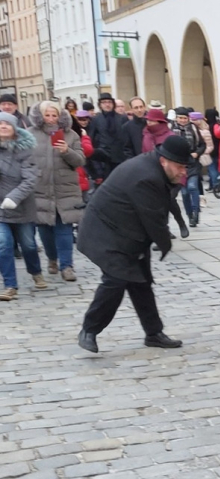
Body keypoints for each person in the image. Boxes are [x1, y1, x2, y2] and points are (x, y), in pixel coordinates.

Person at [76, 136, 191, 353]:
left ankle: (153, 333)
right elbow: (153, 218)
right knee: (115, 281)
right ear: (164, 160)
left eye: (185, 167)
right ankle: (89, 330)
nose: (183, 172)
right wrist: (165, 244)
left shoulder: (154, 167)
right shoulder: (147, 177)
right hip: (105, 232)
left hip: (129, 233)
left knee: (141, 282)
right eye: (180, 166)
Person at [28, 102, 85, 282]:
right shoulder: (30, 134)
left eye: (55, 115)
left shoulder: (71, 134)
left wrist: (66, 151)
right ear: (40, 116)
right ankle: (52, 258)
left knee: (64, 229)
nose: (51, 119)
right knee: (45, 229)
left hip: (65, 189)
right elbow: (24, 160)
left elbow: (80, 161)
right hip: (40, 188)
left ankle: (67, 266)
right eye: (48, 115)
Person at [0, 112, 44, 301]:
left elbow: (30, 179)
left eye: (6, 124)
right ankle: (10, 285)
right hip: (0, 210)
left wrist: (13, 198)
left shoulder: (25, 151)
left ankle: (35, 272)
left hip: (21, 206)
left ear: (14, 128)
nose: (2, 126)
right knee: (3, 245)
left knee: (28, 245)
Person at [141, 109, 188, 239]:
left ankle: (179, 223)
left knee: (168, 199)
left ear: (160, 122)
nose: (149, 123)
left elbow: (180, 158)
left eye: (152, 120)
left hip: (174, 175)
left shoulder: (170, 136)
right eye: (148, 120)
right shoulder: (146, 135)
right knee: (160, 203)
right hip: (154, 174)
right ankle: (165, 231)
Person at [170, 107, 204, 227]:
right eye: (180, 118)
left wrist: (197, 153)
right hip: (178, 165)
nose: (183, 120)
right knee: (184, 193)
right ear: (176, 118)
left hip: (192, 164)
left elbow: (202, 145)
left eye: (185, 118)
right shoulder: (171, 129)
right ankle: (189, 215)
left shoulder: (194, 128)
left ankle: (196, 213)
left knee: (192, 187)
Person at [88, 93, 126, 181]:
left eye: (109, 102)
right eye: (104, 102)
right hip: (104, 159)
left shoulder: (122, 118)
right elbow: (91, 140)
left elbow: (126, 139)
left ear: (113, 104)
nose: (107, 104)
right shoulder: (96, 119)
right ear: (100, 105)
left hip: (121, 157)